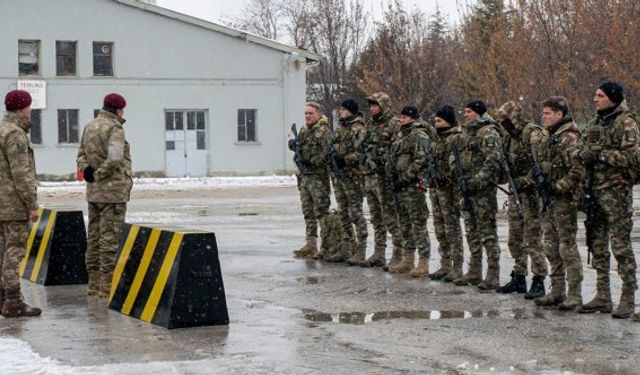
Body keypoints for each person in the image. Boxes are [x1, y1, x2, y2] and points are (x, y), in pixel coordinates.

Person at [577, 82, 638, 318]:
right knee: (598, 246)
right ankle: (603, 295)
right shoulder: (595, 123)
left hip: (616, 193)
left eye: (600, 96)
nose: (595, 99)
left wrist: (600, 153)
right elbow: (584, 151)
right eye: (595, 95)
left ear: (612, 98)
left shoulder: (626, 122)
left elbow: (631, 158)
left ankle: (628, 298)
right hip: (594, 193)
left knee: (621, 248)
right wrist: (584, 154)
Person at [77, 93, 132, 298]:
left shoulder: (89, 126)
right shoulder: (114, 128)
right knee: (109, 240)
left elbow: (81, 154)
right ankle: (106, 288)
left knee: (94, 238)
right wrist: (100, 175)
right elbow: (116, 158)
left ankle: (93, 284)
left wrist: (89, 172)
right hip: (113, 194)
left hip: (94, 193)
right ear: (118, 110)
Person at [534, 96, 584, 310]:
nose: (544, 117)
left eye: (548, 113)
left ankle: (574, 293)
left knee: (567, 247)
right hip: (548, 199)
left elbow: (578, 170)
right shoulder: (547, 136)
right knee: (550, 246)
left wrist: (558, 187)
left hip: (564, 200)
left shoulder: (570, 138)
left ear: (559, 114)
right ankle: (556, 290)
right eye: (543, 113)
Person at [494, 101, 548, 299]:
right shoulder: (508, 138)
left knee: (532, 239)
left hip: (532, 194)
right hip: (515, 194)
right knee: (515, 238)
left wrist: (525, 181)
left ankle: (539, 278)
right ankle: (519, 275)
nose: (503, 124)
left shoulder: (533, 134)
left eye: (506, 120)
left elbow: (541, 165)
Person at [0, 89, 41, 317]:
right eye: (29, 106)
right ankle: (13, 301)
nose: (30, 110)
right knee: (14, 253)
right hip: (13, 205)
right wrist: (31, 204)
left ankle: (2, 297)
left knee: (2, 251)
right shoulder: (15, 135)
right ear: (21, 108)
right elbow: (21, 174)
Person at [452, 100, 502, 290]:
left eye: (469, 111)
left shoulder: (488, 133)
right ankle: (474, 270)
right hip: (467, 189)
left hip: (483, 192)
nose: (465, 115)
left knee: (487, 232)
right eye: (464, 111)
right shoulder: (465, 133)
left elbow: (492, 161)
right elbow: (455, 156)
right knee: (471, 231)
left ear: (479, 114)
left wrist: (476, 180)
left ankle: (493, 273)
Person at [359, 93, 404, 269]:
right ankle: (379, 252)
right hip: (370, 174)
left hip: (384, 177)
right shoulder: (371, 124)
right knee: (376, 216)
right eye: (370, 105)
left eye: (374, 105)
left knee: (390, 216)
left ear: (384, 105)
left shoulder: (394, 123)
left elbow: (397, 148)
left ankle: (398, 253)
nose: (371, 108)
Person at [388, 106, 431, 276]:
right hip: (400, 185)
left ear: (412, 118)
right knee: (404, 223)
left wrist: (406, 177)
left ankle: (423, 261)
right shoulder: (401, 135)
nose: (401, 119)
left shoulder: (419, 135)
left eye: (404, 117)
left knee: (418, 223)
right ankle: (408, 258)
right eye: (401, 116)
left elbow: (421, 159)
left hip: (413, 185)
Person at [324, 100, 368, 264]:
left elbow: (362, 153)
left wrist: (344, 159)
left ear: (351, 111)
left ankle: (361, 249)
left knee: (355, 212)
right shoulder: (340, 129)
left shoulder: (358, 128)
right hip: (339, 176)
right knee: (342, 212)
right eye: (340, 109)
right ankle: (346, 247)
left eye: (343, 109)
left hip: (353, 176)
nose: (340, 111)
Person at [288, 102, 332, 259]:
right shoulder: (304, 130)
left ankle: (327, 246)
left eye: (310, 113)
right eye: (306, 113)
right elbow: (301, 149)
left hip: (318, 177)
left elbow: (326, 154)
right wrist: (295, 146)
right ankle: (311, 243)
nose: (307, 116)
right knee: (308, 212)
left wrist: (311, 160)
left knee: (322, 212)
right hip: (305, 177)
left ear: (318, 114)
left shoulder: (323, 131)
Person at [428, 105, 465, 282]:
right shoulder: (436, 140)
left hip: (449, 190)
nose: (436, 124)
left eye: (440, 121)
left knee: (452, 229)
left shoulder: (456, 139)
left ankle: (457, 266)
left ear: (448, 121)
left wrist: (448, 177)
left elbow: (457, 164)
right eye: (435, 121)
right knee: (439, 228)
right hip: (436, 189)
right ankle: (445, 263)